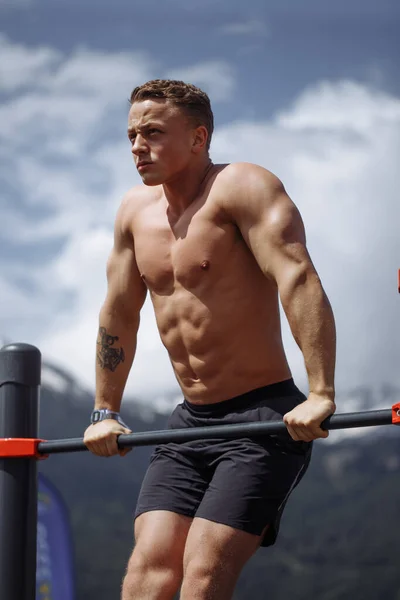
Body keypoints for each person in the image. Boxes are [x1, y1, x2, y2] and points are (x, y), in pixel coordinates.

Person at [83, 79, 336, 600]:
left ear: (198, 138)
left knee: (201, 574)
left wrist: (321, 393)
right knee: (147, 575)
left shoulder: (242, 187)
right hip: (189, 423)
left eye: (152, 132)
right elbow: (119, 313)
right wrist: (103, 411)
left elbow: (297, 278)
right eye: (131, 135)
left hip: (263, 419)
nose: (136, 146)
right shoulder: (134, 211)